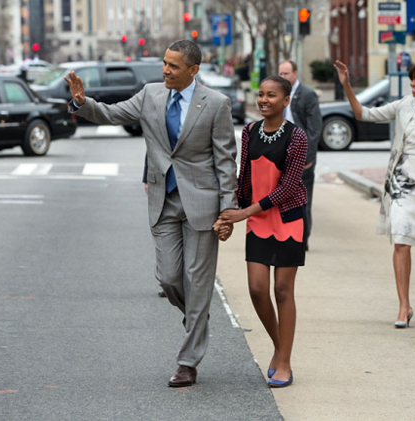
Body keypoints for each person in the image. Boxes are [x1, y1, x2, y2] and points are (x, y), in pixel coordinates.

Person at [64, 40, 238, 387]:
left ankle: (188, 362)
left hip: (202, 202)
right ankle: (198, 316)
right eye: (164, 63)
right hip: (163, 199)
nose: (165, 70)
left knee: (198, 280)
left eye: (173, 66)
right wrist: (82, 103)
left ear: (193, 70)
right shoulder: (150, 94)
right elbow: (113, 114)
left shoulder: (216, 104)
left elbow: (225, 160)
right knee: (169, 278)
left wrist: (228, 208)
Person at [334, 60, 415, 328]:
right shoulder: (403, 105)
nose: (412, 84)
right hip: (401, 184)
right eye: (411, 79)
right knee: (401, 239)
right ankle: (404, 305)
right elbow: (363, 113)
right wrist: (347, 86)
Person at [216, 76, 308, 388]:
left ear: (286, 101)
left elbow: (288, 188)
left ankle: (285, 362)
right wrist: (230, 214)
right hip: (257, 217)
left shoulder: (298, 138)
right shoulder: (250, 131)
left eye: (272, 95)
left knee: (283, 290)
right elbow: (245, 178)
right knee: (257, 289)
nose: (264, 100)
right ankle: (280, 347)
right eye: (260, 94)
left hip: (287, 217)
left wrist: (244, 213)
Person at [278, 60, 322, 251]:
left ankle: (302, 239)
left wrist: (307, 159)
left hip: (302, 155)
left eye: (286, 74)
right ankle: (283, 236)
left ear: (295, 74)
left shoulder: (307, 95)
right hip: (280, 154)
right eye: (280, 74)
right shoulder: (278, 94)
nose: (283, 77)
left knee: (302, 199)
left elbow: (314, 130)